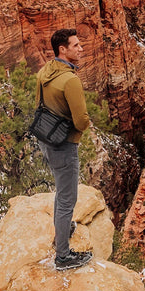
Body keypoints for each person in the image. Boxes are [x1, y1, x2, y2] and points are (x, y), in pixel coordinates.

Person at [37, 27, 93, 271]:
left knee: (62, 192)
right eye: (76, 45)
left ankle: (63, 228)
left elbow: (39, 104)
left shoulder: (45, 71)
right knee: (67, 198)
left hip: (46, 138)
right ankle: (63, 256)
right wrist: (85, 124)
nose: (81, 48)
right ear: (63, 49)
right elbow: (81, 121)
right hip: (64, 144)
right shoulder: (70, 80)